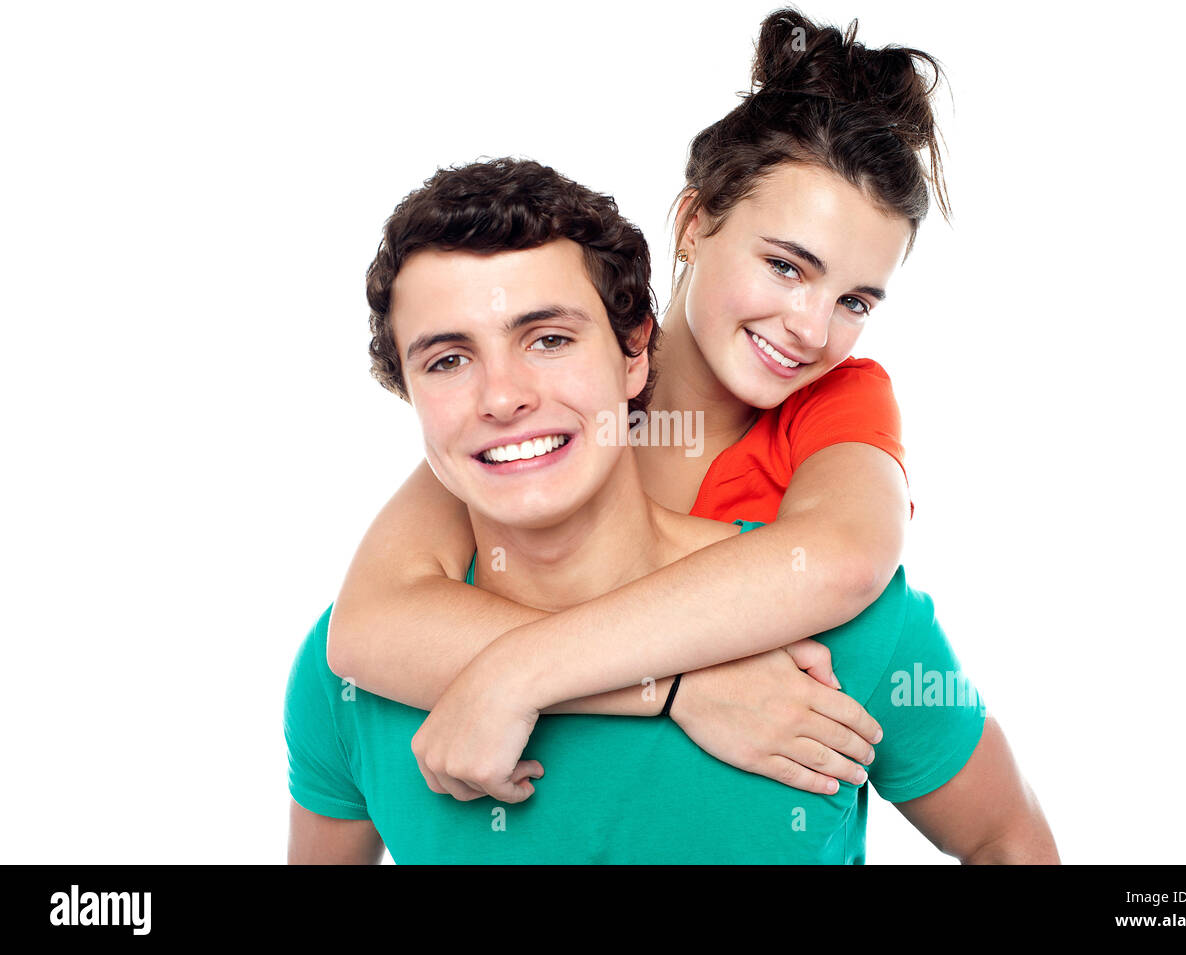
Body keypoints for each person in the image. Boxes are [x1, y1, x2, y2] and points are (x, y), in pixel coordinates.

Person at [285, 158, 1058, 864]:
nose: (502, 397)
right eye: (448, 360)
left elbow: (1007, 839)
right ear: (405, 389)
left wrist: (520, 676)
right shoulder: (355, 668)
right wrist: (673, 686)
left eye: (549, 339)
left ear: (634, 354)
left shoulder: (840, 628)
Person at [326, 8, 951, 798]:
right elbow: (370, 623)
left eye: (856, 301)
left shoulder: (839, 398)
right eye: (787, 267)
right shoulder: (558, 386)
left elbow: (847, 559)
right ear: (694, 224)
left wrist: (520, 671)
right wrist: (677, 689)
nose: (811, 327)